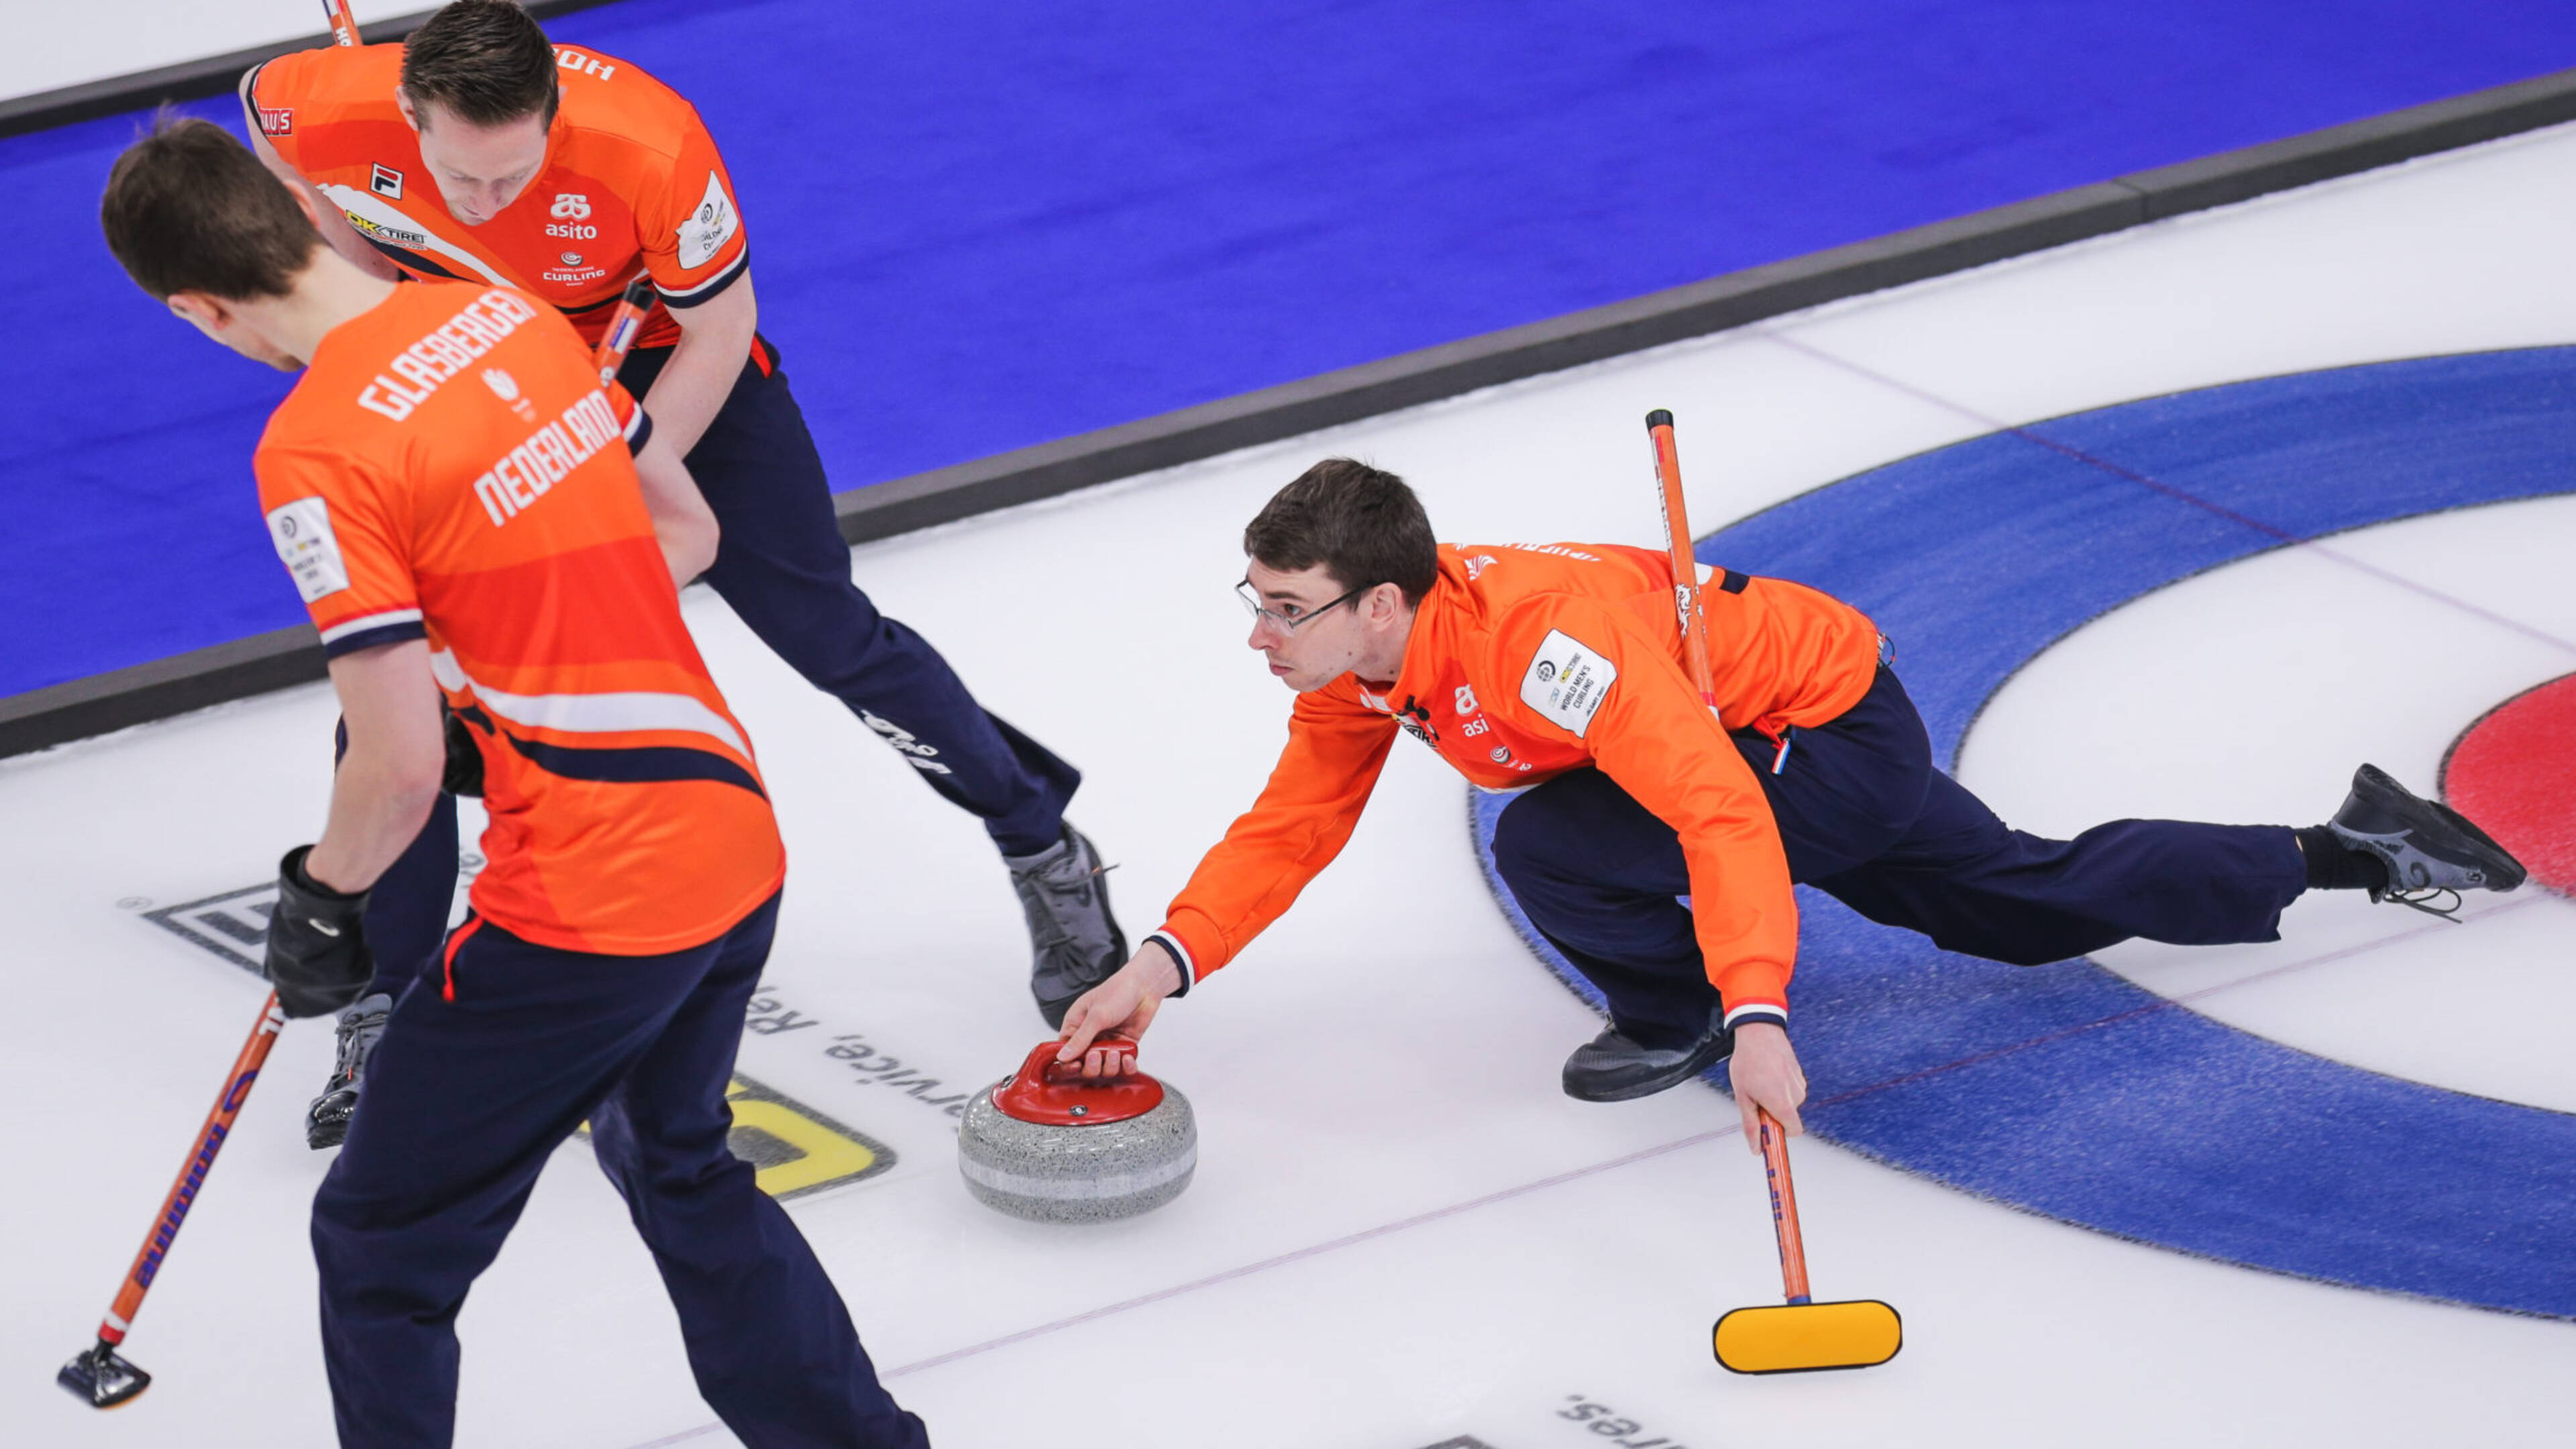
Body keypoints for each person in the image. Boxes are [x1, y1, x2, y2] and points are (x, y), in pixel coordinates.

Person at [100, 116, 929, 1448]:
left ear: (198, 306)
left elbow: (399, 768)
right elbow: (690, 531)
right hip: (730, 835)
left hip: (592, 903)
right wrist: (522, 647)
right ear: (303, 214)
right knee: (679, 1163)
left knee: (379, 1244)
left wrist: (325, 900)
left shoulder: (314, 454)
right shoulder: (511, 319)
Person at [1053, 459, 2526, 1144]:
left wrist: (1754, 1011)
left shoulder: (1545, 650)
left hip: (1817, 730)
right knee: (2011, 907)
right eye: (1253, 603)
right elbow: (1292, 824)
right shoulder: (1359, 671)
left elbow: (1715, 815)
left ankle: (1676, 1008)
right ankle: (2351, 845)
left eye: (1283, 607)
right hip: (1739, 741)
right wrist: (1163, 962)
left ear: (1380, 599)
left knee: (1555, 839)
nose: (1261, 633)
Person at [244, 0, 1122, 1146]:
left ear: (552, 119)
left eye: (512, 178)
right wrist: (397, 304)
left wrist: (608, 483)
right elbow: (282, 156)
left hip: (660, 373)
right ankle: (390, 1013)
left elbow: (717, 328)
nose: (486, 204)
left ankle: (1038, 840)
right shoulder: (316, 103)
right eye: (460, 180)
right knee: (412, 679)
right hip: (477, 379)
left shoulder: (650, 144)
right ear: (409, 112)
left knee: (832, 638)